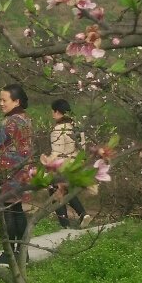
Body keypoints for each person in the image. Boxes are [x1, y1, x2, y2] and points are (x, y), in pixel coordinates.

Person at [0, 83, 34, 264]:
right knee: (18, 209)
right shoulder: (26, 119)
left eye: (4, 100)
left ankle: (9, 252)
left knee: (8, 210)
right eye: (0, 99)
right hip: (23, 171)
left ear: (16, 101)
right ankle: (22, 252)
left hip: (8, 172)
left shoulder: (10, 121)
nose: (1, 103)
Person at [46, 98, 89, 228]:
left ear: (57, 112)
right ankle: (82, 215)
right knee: (65, 190)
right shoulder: (76, 127)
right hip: (75, 164)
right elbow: (83, 148)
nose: (52, 114)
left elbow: (56, 152)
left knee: (55, 190)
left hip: (61, 165)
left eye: (53, 111)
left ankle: (65, 224)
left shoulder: (58, 130)